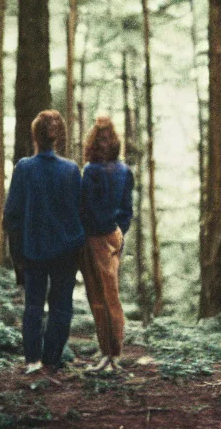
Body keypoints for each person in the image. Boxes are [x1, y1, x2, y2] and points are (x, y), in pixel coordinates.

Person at [4, 110, 84, 374]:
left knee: (33, 306)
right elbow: (79, 213)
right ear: (58, 138)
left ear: (34, 137)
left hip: (33, 250)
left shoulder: (24, 168)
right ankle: (51, 360)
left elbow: (11, 216)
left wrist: (17, 254)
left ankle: (32, 362)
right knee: (61, 306)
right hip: (65, 250)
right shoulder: (71, 170)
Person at [79, 116, 134, 373]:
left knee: (100, 298)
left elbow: (86, 207)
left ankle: (109, 355)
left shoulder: (91, 171)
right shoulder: (125, 170)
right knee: (111, 295)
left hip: (95, 237)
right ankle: (112, 355)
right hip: (114, 235)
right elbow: (126, 210)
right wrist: (118, 234)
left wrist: (97, 233)